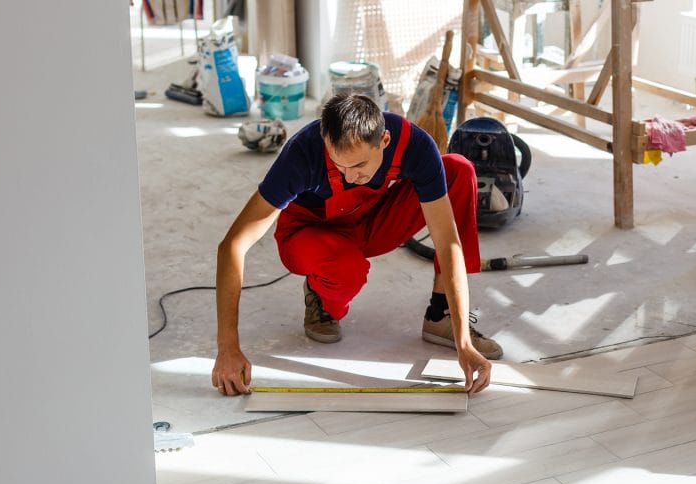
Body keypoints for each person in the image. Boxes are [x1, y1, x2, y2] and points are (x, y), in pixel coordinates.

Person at [210, 93, 501, 396]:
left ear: (384, 140)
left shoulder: (414, 145)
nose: (351, 176)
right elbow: (232, 245)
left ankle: (441, 315)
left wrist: (463, 341)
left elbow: (448, 242)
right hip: (308, 234)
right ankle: (321, 296)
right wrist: (228, 348)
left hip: (366, 222)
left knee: (458, 169)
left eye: (360, 164)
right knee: (347, 269)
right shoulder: (303, 152)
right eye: (340, 165)